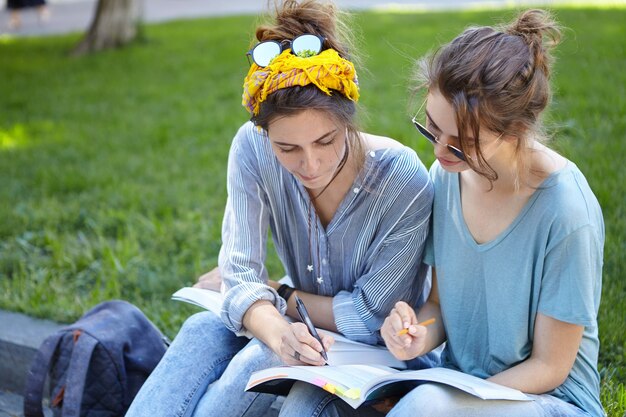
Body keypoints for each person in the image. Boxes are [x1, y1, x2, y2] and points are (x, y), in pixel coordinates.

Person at [126, 1, 437, 416]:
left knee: (262, 357)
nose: (309, 165)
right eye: (286, 148)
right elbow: (239, 272)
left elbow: (367, 318)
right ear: (264, 133)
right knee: (201, 329)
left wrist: (277, 293)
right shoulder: (251, 148)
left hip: (381, 359)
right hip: (306, 332)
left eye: (326, 141)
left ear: (349, 119)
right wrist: (276, 328)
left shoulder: (402, 181)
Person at [374, 9, 604, 417]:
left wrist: (457, 398)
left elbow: (551, 365)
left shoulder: (566, 211)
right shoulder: (446, 178)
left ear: (514, 131)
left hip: (548, 400)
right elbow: (440, 307)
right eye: (430, 129)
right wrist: (417, 336)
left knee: (423, 407)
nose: (438, 152)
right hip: (463, 385)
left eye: (460, 144)